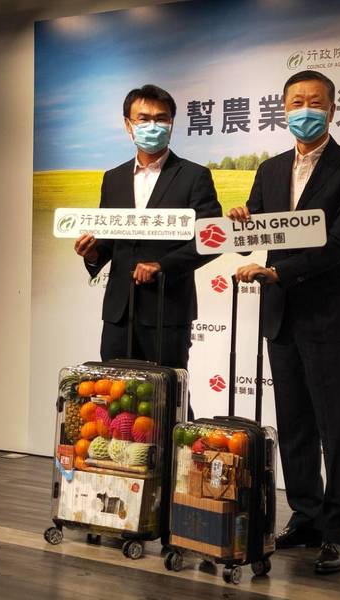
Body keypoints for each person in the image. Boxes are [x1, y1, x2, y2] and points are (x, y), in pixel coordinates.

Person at [228, 70, 340, 574]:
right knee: (293, 427)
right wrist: (241, 225)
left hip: (327, 315)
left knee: (337, 428)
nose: (304, 110)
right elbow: (253, 237)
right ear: (284, 109)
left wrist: (280, 272)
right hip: (281, 315)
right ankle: (306, 516)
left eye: (315, 102)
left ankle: (337, 530)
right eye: (296, 102)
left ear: (332, 110)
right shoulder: (270, 169)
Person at [75, 84, 221, 419]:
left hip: (167, 308)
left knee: (167, 399)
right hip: (119, 310)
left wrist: (163, 265)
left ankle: (175, 453)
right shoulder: (113, 178)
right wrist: (92, 253)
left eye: (161, 118)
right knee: (114, 399)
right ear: (128, 124)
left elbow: (211, 240)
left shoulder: (194, 176)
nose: (152, 126)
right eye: (143, 118)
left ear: (172, 123)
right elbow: (108, 242)